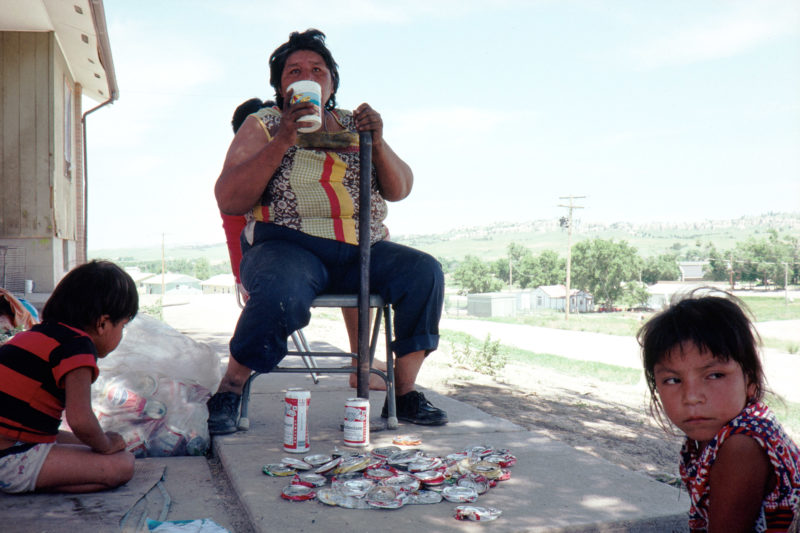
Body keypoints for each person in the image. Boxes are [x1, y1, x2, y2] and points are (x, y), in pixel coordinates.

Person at [209, 28, 447, 434]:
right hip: (287, 246)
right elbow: (229, 198)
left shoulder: (358, 123)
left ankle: (404, 393)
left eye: (318, 69)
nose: (308, 75)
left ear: (332, 82)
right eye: (295, 71)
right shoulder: (263, 124)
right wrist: (284, 137)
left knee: (424, 272)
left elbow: (401, 188)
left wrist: (379, 141)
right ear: (281, 86)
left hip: (362, 250)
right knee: (280, 291)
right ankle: (230, 388)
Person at [226, 97, 383, 391]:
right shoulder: (246, 182)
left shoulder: (289, 169)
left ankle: (361, 362)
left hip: (306, 265)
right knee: (288, 281)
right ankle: (234, 382)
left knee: (353, 257)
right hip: (272, 270)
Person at [638, 289, 800, 531]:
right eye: (673, 380)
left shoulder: (742, 446)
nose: (692, 397)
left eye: (714, 375)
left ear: (750, 380)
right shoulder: (721, 433)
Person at [0, 260, 139, 493]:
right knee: (122, 464)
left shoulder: (37, 334)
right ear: (103, 323)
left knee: (77, 442)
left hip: (12, 441)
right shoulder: (77, 346)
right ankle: (35, 481)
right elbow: (80, 420)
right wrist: (105, 445)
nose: (121, 334)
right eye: (122, 326)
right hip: (10, 458)